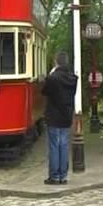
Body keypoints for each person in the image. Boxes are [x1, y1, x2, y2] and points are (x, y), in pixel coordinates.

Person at [41, 51, 78, 185]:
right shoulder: (73, 78)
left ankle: (54, 176)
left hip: (54, 116)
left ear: (56, 62)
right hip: (66, 116)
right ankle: (63, 176)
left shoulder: (53, 78)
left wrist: (50, 75)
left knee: (54, 147)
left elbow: (44, 91)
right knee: (63, 145)